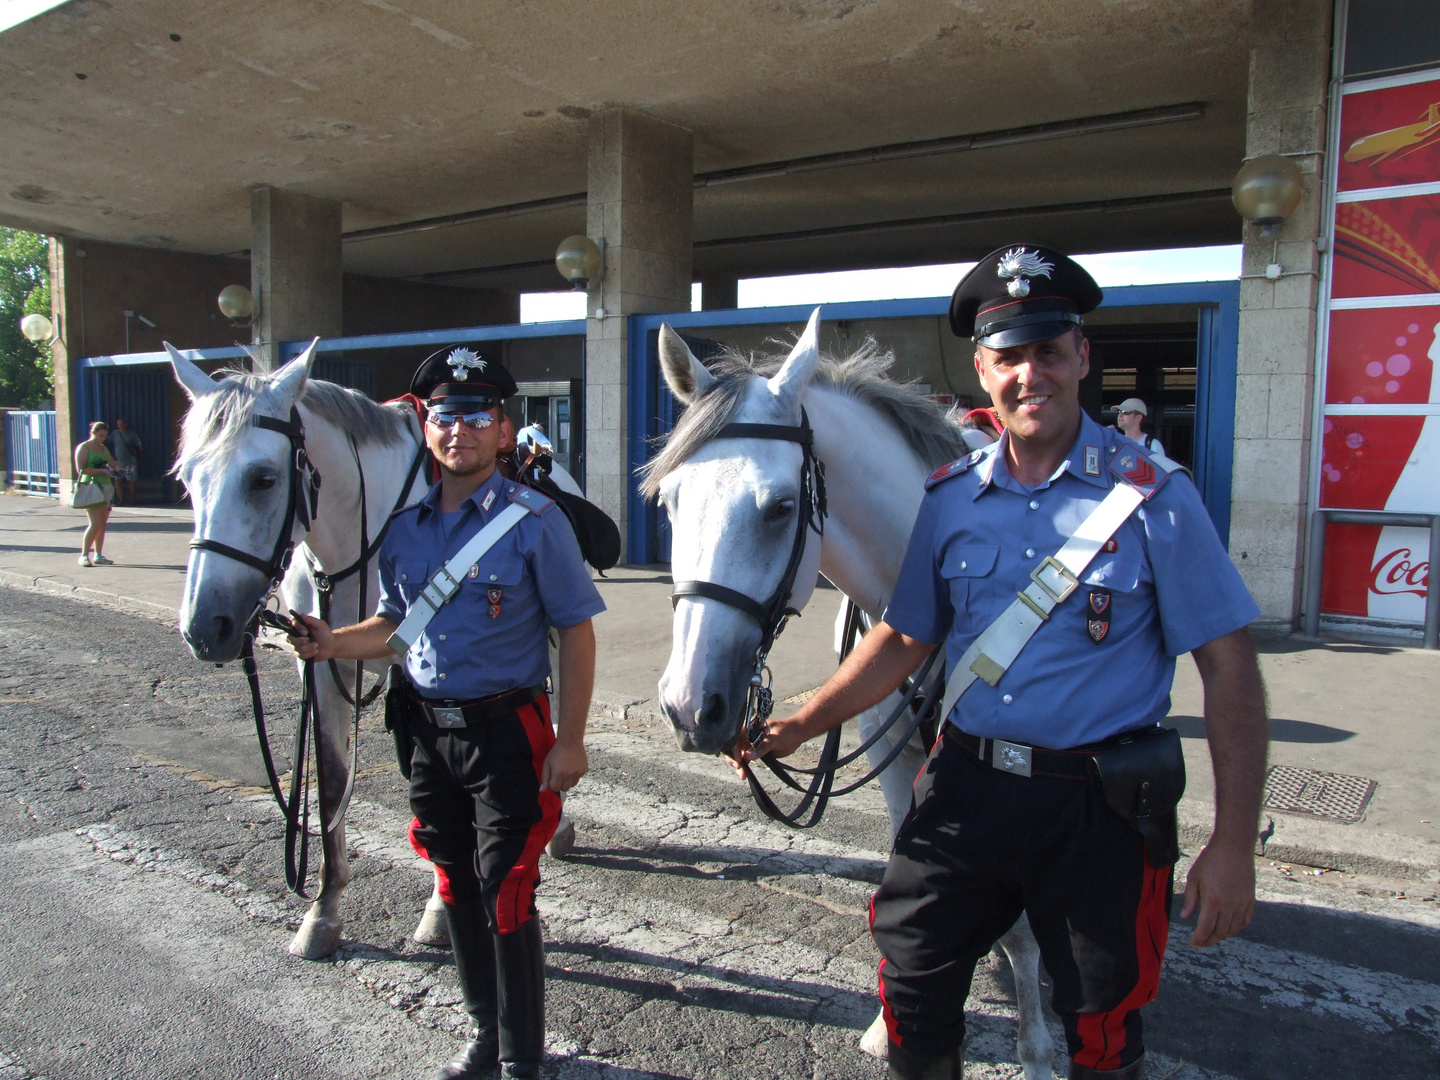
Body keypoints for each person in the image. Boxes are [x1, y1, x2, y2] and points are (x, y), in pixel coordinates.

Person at [743, 245, 1268, 1080]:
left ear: (1081, 358)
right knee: (910, 991)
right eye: (1010, 358)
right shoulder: (952, 498)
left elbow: (1230, 669)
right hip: (970, 790)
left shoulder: (1155, 499)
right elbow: (907, 636)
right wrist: (805, 720)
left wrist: (1234, 842)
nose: (1032, 376)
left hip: (1096, 810)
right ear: (984, 371)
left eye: (1049, 353)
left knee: (1101, 1028)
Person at [287, 346, 604, 1079]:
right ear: (425, 426)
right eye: (443, 416)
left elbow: (576, 632)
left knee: (507, 887)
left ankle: (524, 1059)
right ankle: (484, 1035)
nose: (457, 429)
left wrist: (573, 739)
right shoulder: (404, 529)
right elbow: (396, 628)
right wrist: (332, 640)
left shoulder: (536, 520)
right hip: (429, 732)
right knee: (455, 881)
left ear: (502, 430)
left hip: (508, 734)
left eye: (476, 416)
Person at [73, 421, 117, 566]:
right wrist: (102, 471)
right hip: (91, 486)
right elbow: (81, 469)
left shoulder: (103, 448)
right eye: (100, 435)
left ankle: (98, 554)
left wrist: (114, 465)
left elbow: (110, 460)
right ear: (93, 433)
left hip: (106, 486)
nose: (102, 438)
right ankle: (84, 555)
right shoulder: (84, 447)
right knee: (95, 523)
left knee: (102, 524)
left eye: (104, 436)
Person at [108, 417, 144, 506]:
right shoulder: (115, 434)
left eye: (122, 424)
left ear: (126, 424)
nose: (120, 426)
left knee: (131, 481)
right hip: (119, 463)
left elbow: (140, 447)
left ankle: (132, 500)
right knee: (118, 481)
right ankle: (121, 500)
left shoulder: (132, 435)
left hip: (131, 463)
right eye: (118, 424)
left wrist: (135, 453)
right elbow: (107, 441)